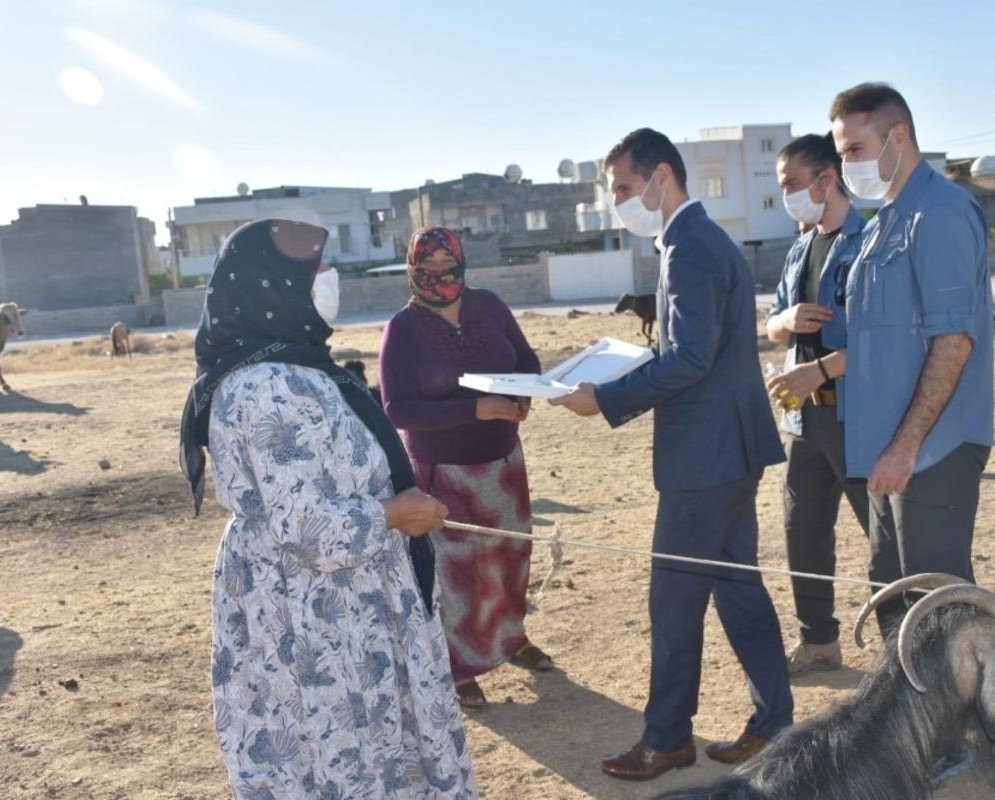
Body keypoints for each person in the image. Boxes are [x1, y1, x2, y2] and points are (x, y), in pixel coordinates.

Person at [179, 219, 479, 800]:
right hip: (314, 610)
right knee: (338, 749)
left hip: (347, 601)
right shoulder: (265, 385)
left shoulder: (296, 365)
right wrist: (394, 514)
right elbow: (306, 528)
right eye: (316, 272)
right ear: (274, 285)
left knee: (376, 749)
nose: (328, 281)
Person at [551, 128, 792, 780]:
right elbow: (698, 352)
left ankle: (667, 739)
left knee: (675, 599)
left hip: (706, 460)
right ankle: (774, 724)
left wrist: (603, 397)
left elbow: (688, 358)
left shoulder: (688, 247)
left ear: (662, 177)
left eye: (625, 189)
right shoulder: (703, 240)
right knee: (738, 587)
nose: (619, 204)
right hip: (729, 450)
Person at [823, 83, 995, 634]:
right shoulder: (886, 221)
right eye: (842, 153)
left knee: (939, 612)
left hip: (931, 448)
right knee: (894, 601)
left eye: (855, 150)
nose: (847, 165)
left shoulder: (940, 213)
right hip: (887, 448)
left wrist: (906, 446)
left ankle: (987, 715)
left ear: (898, 137)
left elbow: (954, 342)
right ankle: (912, 721)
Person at [379, 227, 552, 710]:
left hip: (502, 463)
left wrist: (522, 396)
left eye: (445, 259)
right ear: (412, 266)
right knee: (457, 575)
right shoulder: (404, 328)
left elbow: (527, 360)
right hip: (444, 471)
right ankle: (458, 666)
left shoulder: (490, 306)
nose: (438, 270)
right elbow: (396, 410)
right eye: (426, 262)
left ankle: (511, 640)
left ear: (461, 259)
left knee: (509, 557)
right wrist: (474, 410)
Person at [765, 133, 870, 677]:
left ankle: (910, 650)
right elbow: (774, 321)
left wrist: (821, 369)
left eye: (791, 184)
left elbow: (885, 339)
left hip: (859, 417)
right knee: (802, 531)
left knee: (886, 540)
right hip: (804, 417)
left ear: (826, 179)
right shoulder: (800, 247)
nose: (786, 196)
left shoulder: (871, 243)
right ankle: (819, 641)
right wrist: (785, 322)